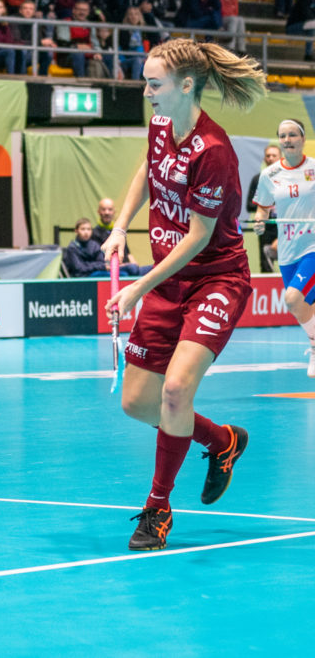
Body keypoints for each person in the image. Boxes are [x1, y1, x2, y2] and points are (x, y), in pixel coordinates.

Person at [101, 38, 267, 551]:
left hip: (215, 278)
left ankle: (157, 508)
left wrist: (136, 288)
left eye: (155, 84)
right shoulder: (159, 125)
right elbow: (146, 173)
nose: (146, 91)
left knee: (174, 391)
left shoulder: (214, 150)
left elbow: (198, 237)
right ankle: (222, 441)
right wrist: (119, 226)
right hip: (168, 281)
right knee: (136, 403)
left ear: (186, 85)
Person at [251, 120, 315, 376]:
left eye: (292, 135)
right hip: (288, 252)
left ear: (302, 138)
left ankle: (314, 347)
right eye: (282, 136)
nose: (287, 139)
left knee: (292, 298)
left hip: (312, 246)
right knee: (302, 306)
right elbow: (263, 208)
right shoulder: (270, 175)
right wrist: (259, 221)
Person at [246, 144, 281, 273]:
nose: (271, 158)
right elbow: (249, 205)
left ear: (280, 158)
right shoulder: (258, 179)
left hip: (284, 226)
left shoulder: (288, 178)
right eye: (268, 156)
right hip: (266, 227)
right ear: (264, 159)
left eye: (274, 155)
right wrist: (266, 206)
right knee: (266, 264)